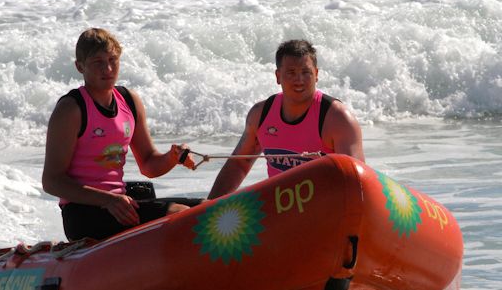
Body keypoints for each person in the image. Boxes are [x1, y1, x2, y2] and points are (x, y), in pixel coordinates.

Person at [42, 28, 195, 241]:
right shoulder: (71, 109)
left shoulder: (129, 101)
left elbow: (149, 164)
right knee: (181, 214)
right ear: (80, 66)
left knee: (207, 209)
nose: (108, 68)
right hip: (83, 214)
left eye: (113, 59)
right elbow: (51, 181)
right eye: (98, 62)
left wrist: (172, 158)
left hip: (121, 204)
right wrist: (107, 200)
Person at [207, 39, 365, 199]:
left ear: (316, 74)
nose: (299, 80)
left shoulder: (338, 119)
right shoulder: (261, 114)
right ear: (278, 76)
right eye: (291, 72)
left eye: (306, 72)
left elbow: (357, 182)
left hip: (327, 209)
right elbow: (240, 163)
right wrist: (208, 211)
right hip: (282, 210)